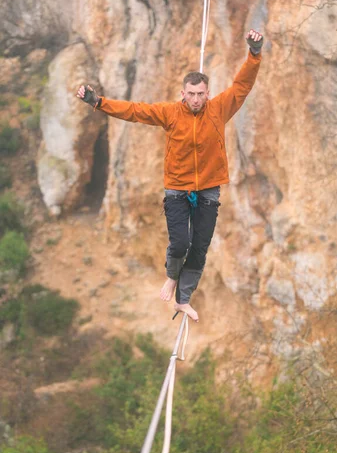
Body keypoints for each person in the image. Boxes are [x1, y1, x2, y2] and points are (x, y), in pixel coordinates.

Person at [76, 29, 263, 322]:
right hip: (177, 189)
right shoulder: (170, 113)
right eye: (191, 95)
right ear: (183, 94)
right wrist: (98, 102)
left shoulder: (218, 109)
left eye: (201, 94)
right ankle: (171, 277)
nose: (197, 100)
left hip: (209, 190)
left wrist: (254, 53)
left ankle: (182, 299)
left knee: (199, 248)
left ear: (208, 93)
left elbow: (242, 86)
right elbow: (134, 111)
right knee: (180, 244)